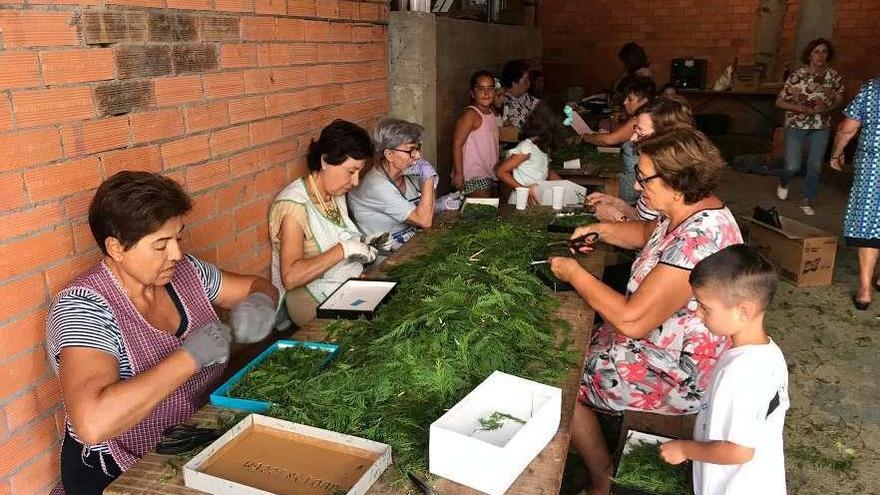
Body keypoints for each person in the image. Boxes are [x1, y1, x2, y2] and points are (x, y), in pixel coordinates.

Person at [46, 172, 278, 494]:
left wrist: (262, 303)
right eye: (160, 245)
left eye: (177, 238)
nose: (176, 255)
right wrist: (190, 357)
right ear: (116, 247)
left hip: (185, 439)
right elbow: (92, 423)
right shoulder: (84, 307)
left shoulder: (187, 273)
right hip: (118, 469)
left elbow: (255, 285)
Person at [548, 127, 743, 494]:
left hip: (673, 370)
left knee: (557, 378)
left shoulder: (697, 241)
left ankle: (602, 478)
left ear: (676, 179)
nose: (637, 187)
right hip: (656, 344)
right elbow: (645, 234)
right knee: (565, 340)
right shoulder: (685, 209)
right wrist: (600, 229)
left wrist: (573, 273)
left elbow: (632, 320)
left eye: (643, 177)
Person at [660, 245, 789, 495]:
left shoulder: (743, 373)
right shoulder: (767, 353)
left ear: (743, 311)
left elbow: (739, 450)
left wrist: (685, 449)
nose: (697, 313)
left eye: (704, 307)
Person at [269, 120, 377, 327]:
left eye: (359, 173)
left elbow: (340, 234)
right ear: (325, 161)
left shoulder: (333, 192)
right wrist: (343, 250)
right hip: (309, 298)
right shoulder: (294, 207)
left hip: (344, 284)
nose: (355, 182)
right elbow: (290, 277)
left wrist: (363, 248)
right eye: (350, 172)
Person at [588, 96, 695, 218]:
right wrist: (616, 203)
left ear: (665, 136)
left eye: (640, 132)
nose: (633, 138)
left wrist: (620, 219)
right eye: (635, 129)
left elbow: (654, 234)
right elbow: (641, 217)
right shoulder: (651, 172)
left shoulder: (672, 179)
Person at [775, 37, 844, 216]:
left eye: (824, 52)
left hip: (821, 125)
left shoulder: (833, 76)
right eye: (816, 51)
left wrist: (828, 107)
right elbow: (780, 102)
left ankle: (807, 198)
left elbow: (839, 98)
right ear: (810, 55)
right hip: (796, 124)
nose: (820, 55)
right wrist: (800, 108)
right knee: (792, 166)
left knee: (815, 165)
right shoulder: (798, 75)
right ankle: (784, 181)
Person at [828, 76, 880, 310]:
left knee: (868, 223)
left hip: (872, 166)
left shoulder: (872, 88)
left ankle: (865, 290)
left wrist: (836, 153)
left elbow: (847, 128)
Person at [348, 118, 437, 251]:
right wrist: (428, 178)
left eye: (418, 148)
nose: (417, 156)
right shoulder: (376, 186)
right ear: (389, 154)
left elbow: (429, 209)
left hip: (411, 243)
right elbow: (425, 220)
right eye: (410, 150)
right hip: (386, 256)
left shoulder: (406, 173)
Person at [497, 99, 564, 205]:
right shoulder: (527, 148)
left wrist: (566, 186)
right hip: (520, 203)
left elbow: (548, 172)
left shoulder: (543, 147)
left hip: (535, 203)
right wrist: (524, 191)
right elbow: (501, 172)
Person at [452, 69, 501, 197]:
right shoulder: (471, 114)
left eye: (490, 88)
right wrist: (458, 174)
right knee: (482, 212)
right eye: (480, 89)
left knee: (490, 210)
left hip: (489, 173)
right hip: (473, 175)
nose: (486, 93)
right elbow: (457, 145)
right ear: (472, 93)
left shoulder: (491, 113)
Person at [580, 77, 655, 152]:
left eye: (630, 99)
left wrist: (585, 137)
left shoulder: (638, 120)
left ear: (644, 101)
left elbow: (608, 140)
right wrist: (614, 118)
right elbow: (618, 134)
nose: (624, 103)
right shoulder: (644, 115)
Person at [501, 59, 540, 130]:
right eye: (525, 80)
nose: (529, 83)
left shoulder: (525, 96)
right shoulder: (505, 102)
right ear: (514, 82)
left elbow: (542, 106)